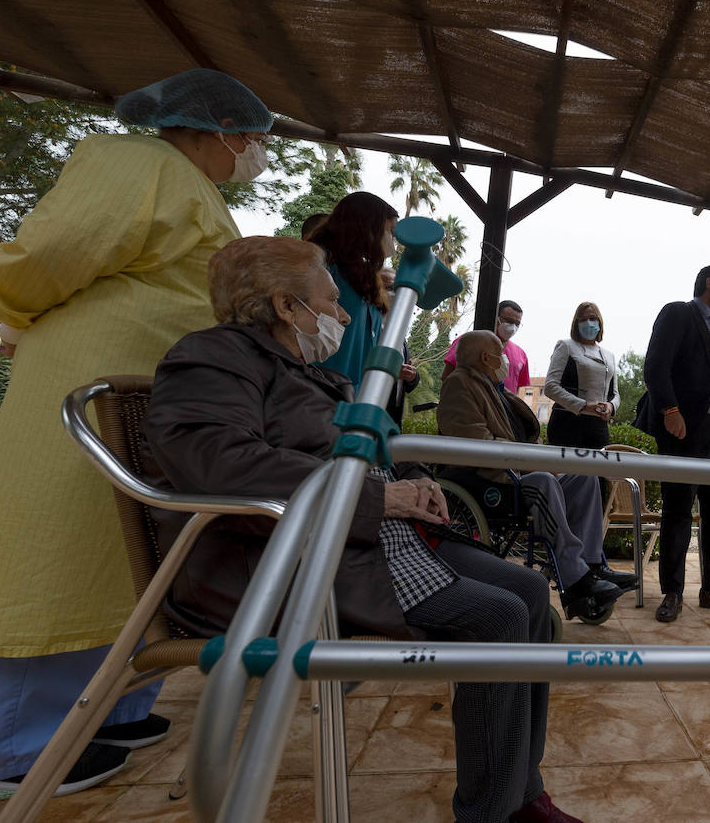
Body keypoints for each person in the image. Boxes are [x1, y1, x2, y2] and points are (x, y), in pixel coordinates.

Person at [141, 236, 581, 823]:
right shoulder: (211, 359)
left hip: (367, 540)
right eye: (331, 298)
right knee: (497, 617)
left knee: (528, 593)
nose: (345, 314)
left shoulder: (306, 373)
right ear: (285, 306)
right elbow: (218, 464)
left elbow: (369, 452)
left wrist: (416, 478)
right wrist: (378, 495)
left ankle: (523, 794)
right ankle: (491, 813)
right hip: (292, 562)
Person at [0, 69, 271, 803]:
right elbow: (51, 252)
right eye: (252, 140)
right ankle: (5, 745)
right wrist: (9, 306)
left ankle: (112, 705)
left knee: (127, 559)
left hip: (145, 404)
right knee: (57, 556)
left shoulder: (192, 185)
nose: (256, 153)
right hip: (86, 393)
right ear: (213, 129)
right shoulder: (135, 161)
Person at [438, 331, 635, 620]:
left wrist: (542, 459)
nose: (505, 358)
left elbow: (526, 438)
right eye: (500, 352)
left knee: (584, 477)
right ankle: (576, 579)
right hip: (493, 478)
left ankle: (593, 564)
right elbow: (476, 444)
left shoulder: (497, 390)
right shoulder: (460, 385)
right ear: (485, 358)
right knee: (544, 482)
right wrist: (533, 464)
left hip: (521, 469)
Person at [634, 265, 710, 622]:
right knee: (678, 510)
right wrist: (670, 409)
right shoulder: (679, 312)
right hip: (685, 428)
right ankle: (672, 591)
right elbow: (656, 364)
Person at [307, 192, 398, 387]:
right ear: (368, 225)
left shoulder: (363, 277)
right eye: (390, 231)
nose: (392, 240)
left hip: (353, 397)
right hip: (316, 391)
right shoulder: (319, 267)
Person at [544, 302, 619, 449]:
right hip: (567, 423)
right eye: (583, 319)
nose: (588, 323)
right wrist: (583, 406)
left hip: (599, 426)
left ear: (600, 322)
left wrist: (611, 406)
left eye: (592, 318)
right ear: (576, 323)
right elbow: (550, 387)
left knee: (598, 470)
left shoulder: (609, 356)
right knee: (567, 471)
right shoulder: (565, 346)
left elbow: (614, 393)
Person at [442, 300, 530, 394]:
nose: (513, 327)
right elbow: (447, 378)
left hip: (501, 408)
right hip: (468, 405)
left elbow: (516, 390)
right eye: (509, 321)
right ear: (496, 317)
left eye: (517, 324)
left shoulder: (521, 354)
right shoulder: (467, 342)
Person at [380, 267, 421, 426]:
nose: (395, 294)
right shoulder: (367, 327)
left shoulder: (398, 331)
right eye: (389, 288)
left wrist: (412, 377)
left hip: (393, 417)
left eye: (398, 288)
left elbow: (404, 381)